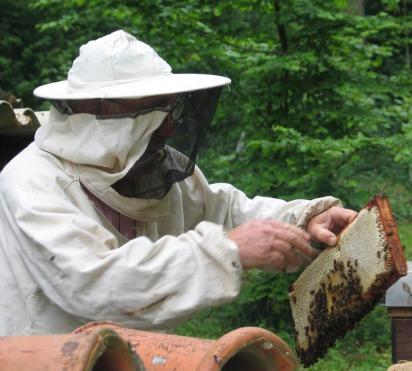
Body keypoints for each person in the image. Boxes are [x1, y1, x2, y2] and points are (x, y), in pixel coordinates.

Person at [0, 30, 356, 335]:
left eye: (171, 110)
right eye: (154, 112)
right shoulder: (32, 182)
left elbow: (225, 211)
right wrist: (226, 250)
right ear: (98, 113)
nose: (169, 127)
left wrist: (303, 218)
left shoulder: (158, 165)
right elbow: (93, 282)